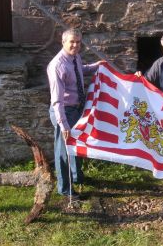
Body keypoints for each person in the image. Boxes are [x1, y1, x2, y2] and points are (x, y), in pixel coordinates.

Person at [47, 29, 104, 201]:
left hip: (77, 109)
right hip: (64, 111)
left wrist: (97, 66)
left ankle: (77, 176)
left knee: (77, 146)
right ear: (63, 42)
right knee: (64, 151)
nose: (75, 45)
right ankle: (65, 189)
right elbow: (56, 100)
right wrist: (63, 124)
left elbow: (81, 70)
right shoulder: (57, 65)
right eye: (72, 42)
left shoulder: (75, 57)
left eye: (78, 42)